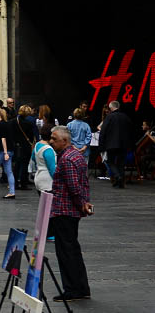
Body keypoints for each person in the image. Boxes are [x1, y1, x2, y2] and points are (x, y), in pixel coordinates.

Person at [48, 126, 92, 302]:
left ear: (64, 141)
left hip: (64, 210)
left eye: (54, 138)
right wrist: (84, 201)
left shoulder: (66, 159)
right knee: (73, 249)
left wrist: (82, 203)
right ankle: (81, 287)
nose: (51, 141)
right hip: (70, 210)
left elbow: (74, 186)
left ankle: (73, 289)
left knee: (66, 251)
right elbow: (84, 183)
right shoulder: (76, 155)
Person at [99, 100, 134, 188]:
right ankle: (120, 183)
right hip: (124, 145)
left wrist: (101, 145)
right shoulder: (126, 117)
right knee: (121, 163)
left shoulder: (109, 117)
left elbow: (103, 132)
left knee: (110, 161)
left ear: (111, 108)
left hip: (111, 144)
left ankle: (117, 176)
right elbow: (132, 131)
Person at [13, 105, 38, 190]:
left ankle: (15, 183)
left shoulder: (14, 121)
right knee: (24, 165)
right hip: (25, 146)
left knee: (16, 165)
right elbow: (31, 136)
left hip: (16, 145)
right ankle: (23, 183)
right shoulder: (28, 123)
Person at [32, 125, 57, 193]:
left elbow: (33, 158)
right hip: (47, 181)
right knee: (49, 203)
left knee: (43, 203)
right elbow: (52, 169)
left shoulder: (37, 145)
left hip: (38, 177)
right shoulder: (48, 149)